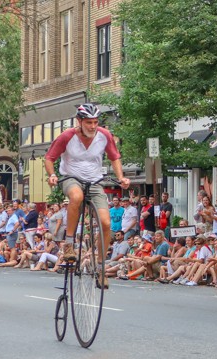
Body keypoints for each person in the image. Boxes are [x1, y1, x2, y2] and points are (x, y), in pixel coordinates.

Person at [44, 103, 131, 289]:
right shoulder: (67, 136)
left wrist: (121, 177)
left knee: (106, 223)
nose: (93, 126)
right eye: (89, 122)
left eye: (95, 122)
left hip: (94, 181)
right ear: (79, 121)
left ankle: (100, 267)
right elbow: (49, 157)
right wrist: (52, 175)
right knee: (76, 197)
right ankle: (69, 244)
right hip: (71, 177)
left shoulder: (104, 135)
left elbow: (115, 157)